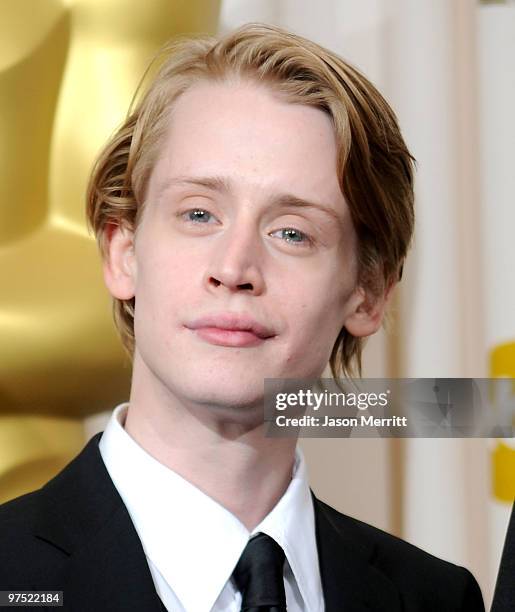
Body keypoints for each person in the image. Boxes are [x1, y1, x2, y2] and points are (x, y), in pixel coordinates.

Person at [0, 23, 484, 611]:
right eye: (199, 214)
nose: (234, 267)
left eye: (292, 232)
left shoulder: (436, 600)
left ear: (368, 292)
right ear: (122, 252)